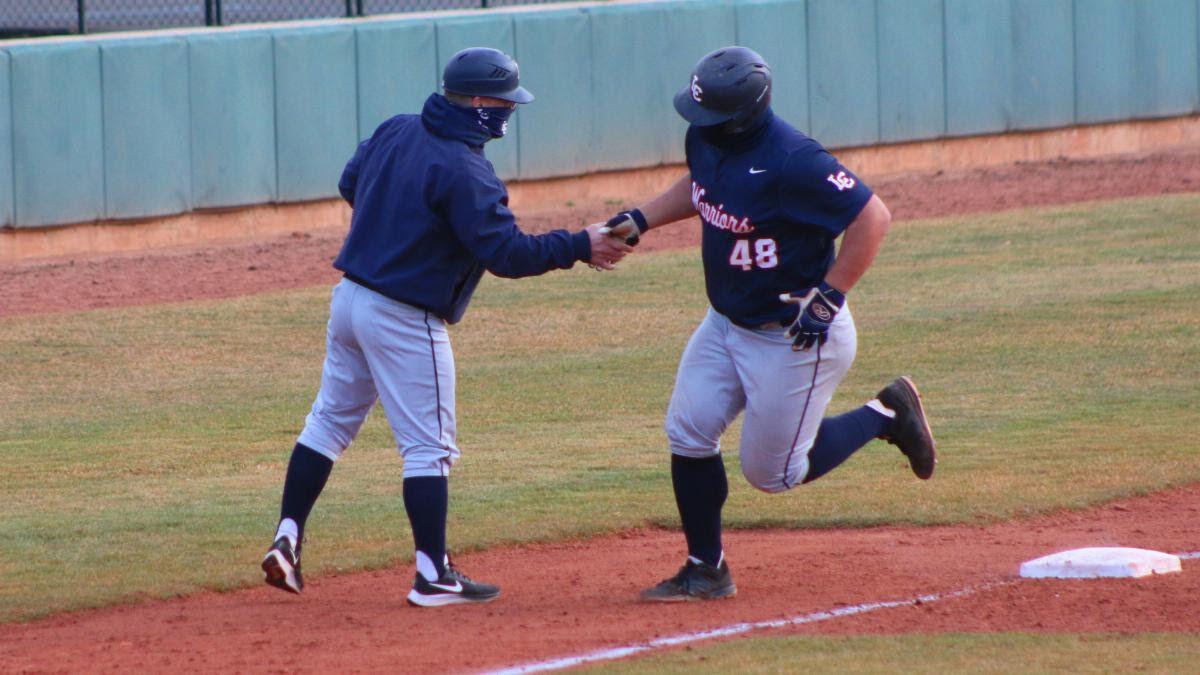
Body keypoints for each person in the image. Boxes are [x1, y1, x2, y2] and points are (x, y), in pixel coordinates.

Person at [261, 47, 632, 607]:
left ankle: (287, 537)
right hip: (403, 319)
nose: (509, 111)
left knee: (328, 424)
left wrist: (399, 223)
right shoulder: (467, 170)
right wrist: (581, 244)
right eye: (504, 102)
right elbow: (506, 254)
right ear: (480, 101)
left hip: (350, 301)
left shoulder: (397, 129)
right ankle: (433, 575)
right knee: (428, 448)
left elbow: (350, 182)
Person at [598, 46, 936, 601]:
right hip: (726, 323)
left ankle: (886, 413)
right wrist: (642, 218)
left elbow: (873, 217)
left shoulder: (794, 159)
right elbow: (701, 186)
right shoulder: (706, 136)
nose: (697, 124)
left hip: (794, 336)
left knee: (774, 475)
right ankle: (707, 569)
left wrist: (831, 294)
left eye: (709, 115)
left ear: (744, 113)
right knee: (688, 429)